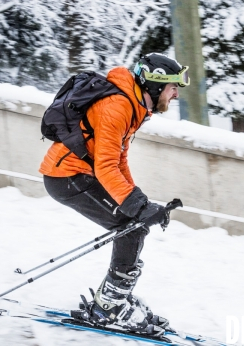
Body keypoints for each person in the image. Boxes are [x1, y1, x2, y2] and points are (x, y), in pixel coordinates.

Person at [39, 53, 189, 335]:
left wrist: (143, 205)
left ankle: (113, 297)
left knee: (134, 224)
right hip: (67, 176)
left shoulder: (133, 106)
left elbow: (118, 161)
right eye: (172, 87)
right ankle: (109, 305)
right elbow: (106, 166)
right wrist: (138, 206)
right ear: (155, 85)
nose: (176, 94)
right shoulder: (118, 105)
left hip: (80, 174)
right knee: (130, 229)